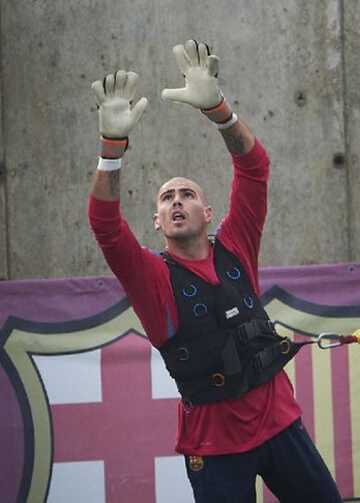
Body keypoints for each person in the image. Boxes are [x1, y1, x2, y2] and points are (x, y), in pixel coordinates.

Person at [88, 39, 342, 503]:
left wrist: (219, 111)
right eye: (166, 198)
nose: (176, 201)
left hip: (281, 425)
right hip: (215, 447)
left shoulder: (237, 247)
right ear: (157, 222)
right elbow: (105, 226)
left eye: (186, 194)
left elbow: (254, 167)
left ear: (208, 212)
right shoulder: (153, 278)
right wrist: (112, 149)